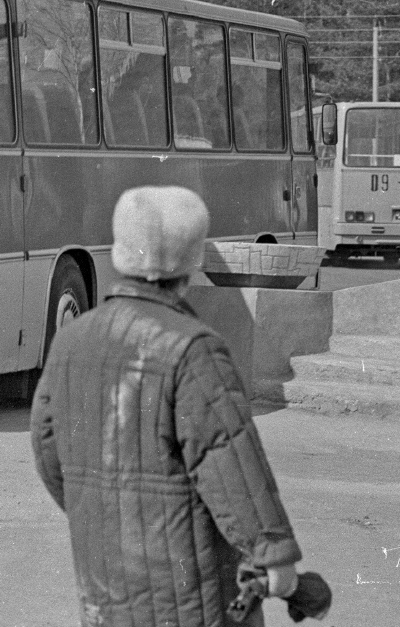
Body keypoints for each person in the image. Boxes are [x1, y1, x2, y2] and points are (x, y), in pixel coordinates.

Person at [30, 186, 330, 627]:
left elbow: (48, 450)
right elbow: (230, 465)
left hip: (104, 588)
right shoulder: (194, 349)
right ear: (192, 261)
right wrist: (278, 562)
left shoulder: (71, 341)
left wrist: (106, 514)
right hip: (193, 596)